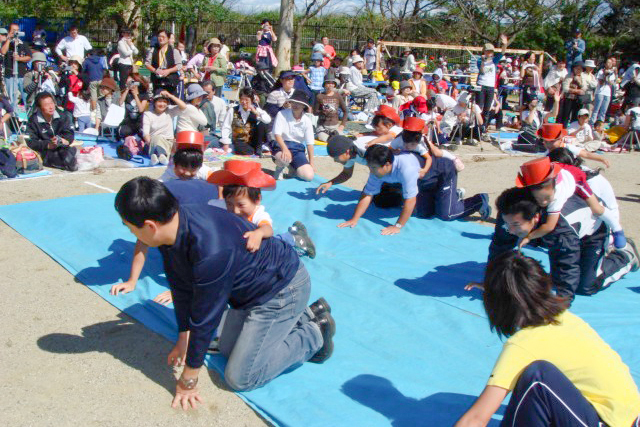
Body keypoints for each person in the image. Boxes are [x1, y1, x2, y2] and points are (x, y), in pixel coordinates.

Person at [114, 176, 334, 407]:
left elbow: (205, 316)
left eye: (129, 227)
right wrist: (183, 338)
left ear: (150, 226)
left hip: (280, 290)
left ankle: (315, 333)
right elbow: (180, 288)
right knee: (227, 349)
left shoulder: (210, 250)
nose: (131, 233)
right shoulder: (174, 227)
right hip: (250, 294)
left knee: (241, 377)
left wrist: (189, 377)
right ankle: (306, 313)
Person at [455, 251, 640, 427]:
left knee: (537, 377)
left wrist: (495, 292)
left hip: (606, 422)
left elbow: (477, 418)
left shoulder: (524, 344)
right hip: (627, 416)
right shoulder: (565, 318)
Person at [487, 182, 638, 301]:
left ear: (536, 218)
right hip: (550, 230)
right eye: (508, 224)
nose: (510, 230)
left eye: (515, 225)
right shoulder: (510, 213)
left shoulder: (560, 230)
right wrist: (492, 281)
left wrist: (560, 303)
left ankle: (625, 256)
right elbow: (500, 246)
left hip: (592, 233)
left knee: (584, 287)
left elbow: (567, 265)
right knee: (515, 235)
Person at [338, 144, 488, 231]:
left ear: (388, 164)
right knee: (425, 214)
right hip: (424, 182)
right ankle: (450, 196)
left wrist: (398, 226)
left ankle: (479, 200)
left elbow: (410, 200)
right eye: (370, 167)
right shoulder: (377, 168)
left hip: (443, 173)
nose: (371, 171)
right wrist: (354, 219)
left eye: (374, 168)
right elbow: (367, 194)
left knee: (446, 214)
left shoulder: (406, 168)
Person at [208, 160, 316, 257]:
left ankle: (295, 238)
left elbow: (267, 229)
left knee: (274, 247)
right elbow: (207, 209)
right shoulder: (221, 205)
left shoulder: (257, 214)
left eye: (241, 205)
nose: (235, 210)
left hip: (256, 242)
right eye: (229, 204)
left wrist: (258, 233)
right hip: (237, 240)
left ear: (257, 200)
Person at [515, 156, 627, 250]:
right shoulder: (533, 185)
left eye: (547, 198)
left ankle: (617, 230)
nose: (543, 202)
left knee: (596, 208)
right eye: (538, 198)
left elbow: (549, 226)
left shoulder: (557, 196)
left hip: (575, 177)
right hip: (555, 170)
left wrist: (530, 237)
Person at [26, 92, 77, 171]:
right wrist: (48, 144)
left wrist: (65, 140)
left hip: (62, 147)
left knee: (67, 152)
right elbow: (30, 141)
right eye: (46, 105)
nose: (51, 107)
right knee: (56, 157)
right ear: (39, 108)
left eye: (52, 103)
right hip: (45, 151)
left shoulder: (62, 116)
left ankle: (70, 161)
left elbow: (69, 132)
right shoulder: (33, 121)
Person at [271, 91, 315, 181]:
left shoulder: (307, 120)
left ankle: (293, 167)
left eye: (299, 103)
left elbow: (310, 143)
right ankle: (279, 169)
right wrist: (285, 149)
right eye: (294, 102)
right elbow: (277, 134)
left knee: (309, 176)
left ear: (304, 106)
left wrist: (311, 163)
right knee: (284, 159)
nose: (296, 105)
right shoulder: (282, 114)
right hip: (281, 145)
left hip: (297, 149)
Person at [220, 87, 271, 155]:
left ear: (252, 100)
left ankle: (258, 148)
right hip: (239, 141)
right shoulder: (233, 110)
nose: (244, 102)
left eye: (247, 100)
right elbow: (226, 126)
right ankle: (254, 151)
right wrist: (226, 143)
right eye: (242, 99)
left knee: (262, 123)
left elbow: (268, 120)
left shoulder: (256, 109)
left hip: (253, 140)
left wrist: (256, 113)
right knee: (241, 148)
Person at [142, 91, 181, 165]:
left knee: (161, 140)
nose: (162, 104)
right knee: (157, 138)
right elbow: (145, 133)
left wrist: (171, 96)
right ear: (154, 103)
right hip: (153, 141)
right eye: (159, 101)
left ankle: (157, 155)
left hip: (168, 142)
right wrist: (153, 144)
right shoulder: (148, 114)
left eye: (164, 102)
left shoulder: (170, 111)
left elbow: (183, 107)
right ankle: (161, 155)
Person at [476, 35, 508, 121]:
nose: (490, 53)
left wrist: (504, 44)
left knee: (487, 108)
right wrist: (483, 61)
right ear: (484, 51)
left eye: (491, 51)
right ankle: (477, 125)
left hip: (490, 86)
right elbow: (482, 71)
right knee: (479, 107)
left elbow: (502, 52)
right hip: (481, 85)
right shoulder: (479, 60)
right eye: (488, 51)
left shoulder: (494, 60)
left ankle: (484, 126)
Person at [1, 23, 32, 111]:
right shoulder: (6, 43)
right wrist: (9, 39)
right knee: (11, 96)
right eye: (13, 31)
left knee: (22, 97)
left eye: (17, 30)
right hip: (10, 75)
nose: (16, 33)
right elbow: (3, 52)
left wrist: (19, 59)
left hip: (21, 75)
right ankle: (11, 115)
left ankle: (21, 115)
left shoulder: (23, 44)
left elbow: (29, 57)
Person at [145, 30, 182, 95]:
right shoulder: (153, 50)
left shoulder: (174, 51)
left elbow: (179, 65)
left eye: (163, 37)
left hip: (171, 81)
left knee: (171, 101)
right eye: (159, 36)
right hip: (157, 81)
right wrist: (155, 70)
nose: (161, 38)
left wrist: (168, 71)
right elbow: (147, 64)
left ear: (168, 38)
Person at [313, 77, 348, 142]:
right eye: (328, 83)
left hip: (334, 126)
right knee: (323, 138)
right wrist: (322, 112)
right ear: (324, 85)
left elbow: (345, 111)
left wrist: (342, 125)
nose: (330, 85)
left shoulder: (338, 96)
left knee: (340, 140)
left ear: (334, 85)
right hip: (322, 126)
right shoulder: (319, 96)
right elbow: (314, 112)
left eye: (332, 83)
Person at [118, 73, 149, 139]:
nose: (129, 83)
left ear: (137, 83)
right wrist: (126, 90)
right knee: (124, 132)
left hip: (140, 122)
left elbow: (141, 109)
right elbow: (120, 103)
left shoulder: (144, 95)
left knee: (143, 134)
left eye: (131, 82)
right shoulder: (127, 93)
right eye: (128, 82)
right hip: (128, 122)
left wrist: (135, 95)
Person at [557, 61, 587, 127]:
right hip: (568, 98)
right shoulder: (569, 76)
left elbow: (584, 88)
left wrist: (579, 82)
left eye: (580, 69)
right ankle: (563, 128)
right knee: (565, 115)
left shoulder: (583, 77)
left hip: (578, 100)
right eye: (577, 68)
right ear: (574, 68)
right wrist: (577, 91)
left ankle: (573, 128)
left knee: (576, 116)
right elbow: (565, 88)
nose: (578, 70)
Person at [592, 57, 617, 124]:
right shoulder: (601, 71)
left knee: (604, 110)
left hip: (607, 93)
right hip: (600, 92)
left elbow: (611, 83)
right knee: (596, 109)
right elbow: (600, 82)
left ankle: (600, 124)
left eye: (610, 63)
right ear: (605, 64)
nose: (609, 64)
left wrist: (608, 77)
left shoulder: (611, 73)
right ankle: (592, 123)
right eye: (608, 62)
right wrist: (604, 75)